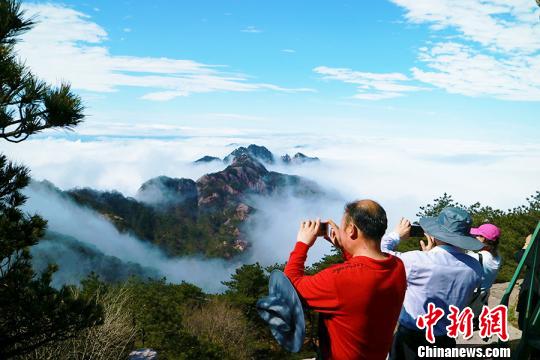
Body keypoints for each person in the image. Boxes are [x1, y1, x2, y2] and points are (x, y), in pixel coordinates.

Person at [284, 199, 406, 360]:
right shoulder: (397, 267)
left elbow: (289, 286)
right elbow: (364, 272)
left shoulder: (337, 279)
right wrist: (345, 247)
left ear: (351, 230)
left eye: (343, 228)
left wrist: (302, 243)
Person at [381, 207, 483, 360]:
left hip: (411, 340)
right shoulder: (475, 267)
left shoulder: (416, 261)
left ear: (435, 235)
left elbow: (379, 254)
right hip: (445, 341)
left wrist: (397, 235)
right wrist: (429, 255)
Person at [468, 223, 502, 291]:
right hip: (483, 297)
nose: (474, 237)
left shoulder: (479, 258)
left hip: (472, 297)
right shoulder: (497, 257)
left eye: (477, 235)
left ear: (483, 238)